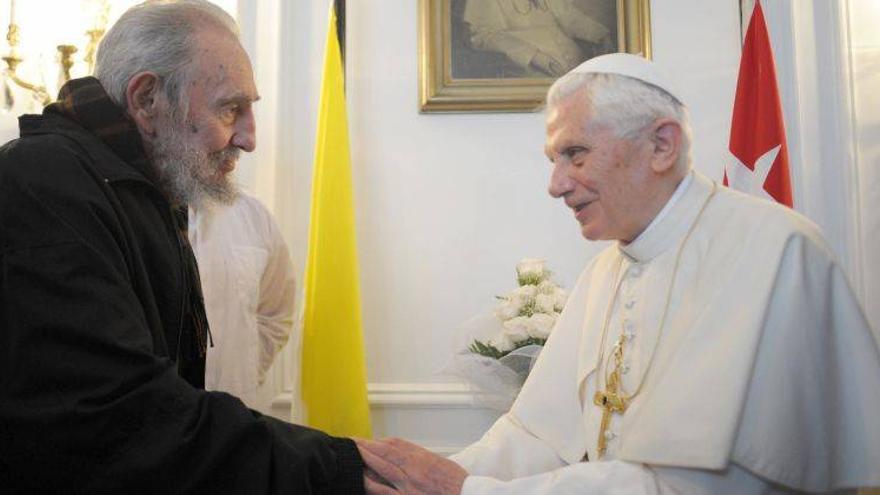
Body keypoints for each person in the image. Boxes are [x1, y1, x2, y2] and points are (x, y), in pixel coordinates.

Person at [356, 53, 880, 494]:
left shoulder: (774, 252)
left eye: (575, 154)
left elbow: (683, 484)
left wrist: (465, 490)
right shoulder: (605, 270)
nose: (556, 184)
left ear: (661, 145)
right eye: (553, 159)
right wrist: (422, 476)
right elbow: (536, 433)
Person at [0, 1, 363, 493]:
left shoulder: (133, 190)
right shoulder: (43, 183)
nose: (250, 137)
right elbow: (115, 419)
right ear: (147, 98)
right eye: (230, 107)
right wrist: (340, 466)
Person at [189, 193, 296, 410]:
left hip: (239, 410)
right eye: (221, 155)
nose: (232, 161)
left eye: (234, 155)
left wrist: (248, 369)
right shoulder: (139, 213)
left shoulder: (256, 218)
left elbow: (276, 314)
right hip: (162, 417)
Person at [463, 0, 614, 78]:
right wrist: (534, 57)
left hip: (572, 66)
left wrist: (600, 34)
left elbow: (569, 17)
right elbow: (484, 37)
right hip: (527, 70)